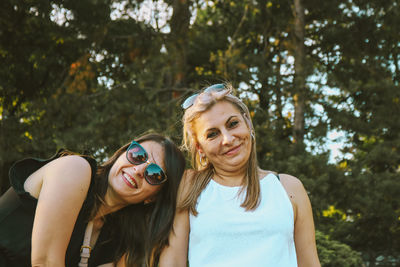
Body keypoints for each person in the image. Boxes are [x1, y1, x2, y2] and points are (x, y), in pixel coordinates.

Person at [159, 83, 321, 267]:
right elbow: (171, 263)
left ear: (248, 123)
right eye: (212, 134)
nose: (228, 139)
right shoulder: (188, 186)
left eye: (233, 124)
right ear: (199, 148)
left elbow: (309, 263)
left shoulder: (289, 187)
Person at [0, 133, 186, 267]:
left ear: (153, 197)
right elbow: (45, 263)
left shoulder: (115, 241)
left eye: (154, 174)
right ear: (122, 153)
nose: (138, 170)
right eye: (138, 155)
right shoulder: (75, 170)